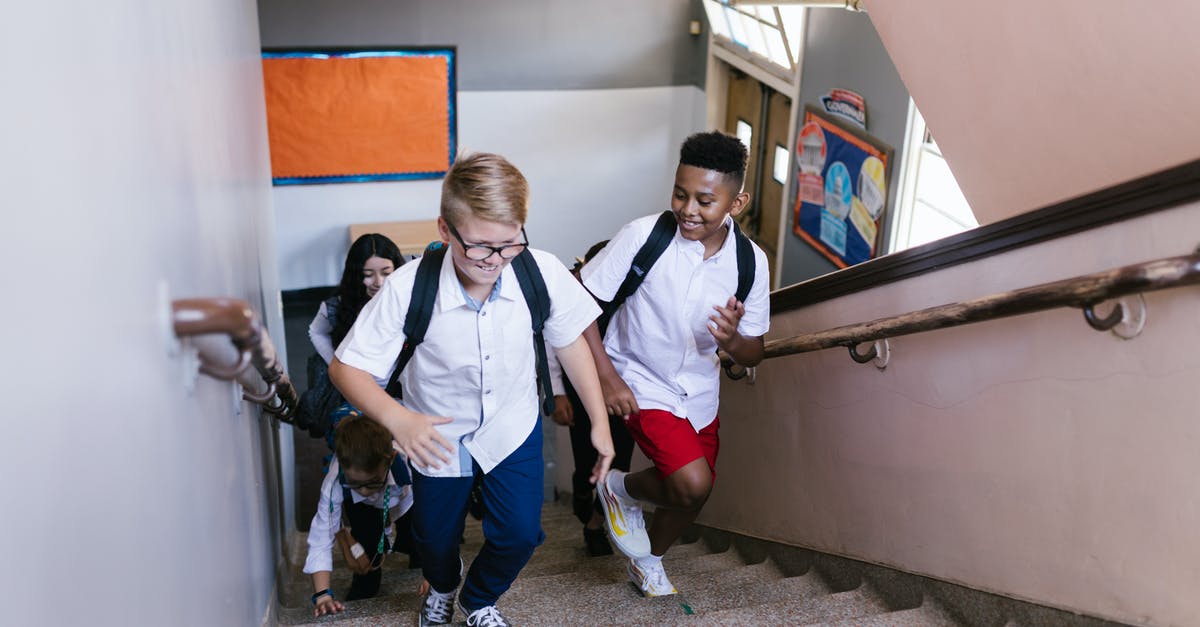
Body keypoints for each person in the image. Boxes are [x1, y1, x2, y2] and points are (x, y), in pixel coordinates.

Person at [329, 151, 615, 627]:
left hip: (512, 424)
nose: (495, 260)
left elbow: (571, 345)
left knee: (520, 535)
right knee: (434, 543)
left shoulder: (538, 271)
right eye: (481, 247)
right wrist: (397, 418)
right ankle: (442, 586)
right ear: (445, 231)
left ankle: (478, 599)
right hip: (437, 432)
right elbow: (345, 369)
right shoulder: (407, 287)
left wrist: (600, 425)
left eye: (510, 243)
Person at [581, 130, 770, 597]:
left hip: (699, 391)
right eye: (680, 194)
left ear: (736, 202)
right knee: (691, 480)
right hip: (639, 379)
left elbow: (756, 351)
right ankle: (620, 489)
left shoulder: (750, 262)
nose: (688, 209)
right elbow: (579, 305)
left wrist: (732, 339)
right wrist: (607, 378)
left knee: (696, 494)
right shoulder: (645, 236)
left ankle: (647, 558)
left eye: (705, 201)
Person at [546, 243, 636, 557]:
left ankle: (596, 524)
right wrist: (557, 392)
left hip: (625, 390)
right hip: (580, 390)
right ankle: (582, 491)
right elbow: (553, 342)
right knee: (587, 458)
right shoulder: (576, 294)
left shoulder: (633, 296)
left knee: (620, 460)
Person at [304, 415, 415, 617]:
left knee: (417, 536)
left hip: (407, 499)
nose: (364, 490)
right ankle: (363, 595)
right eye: (356, 482)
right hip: (360, 507)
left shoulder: (408, 464)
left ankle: (419, 565)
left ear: (389, 460)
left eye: (371, 482)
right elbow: (321, 537)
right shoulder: (335, 483)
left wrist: (435, 578)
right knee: (368, 545)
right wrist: (322, 595)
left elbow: (431, 518)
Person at [309, 233, 406, 450]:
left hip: (400, 393)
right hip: (354, 396)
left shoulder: (405, 300)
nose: (378, 282)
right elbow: (315, 332)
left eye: (386, 273)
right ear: (355, 275)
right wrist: (337, 362)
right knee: (360, 450)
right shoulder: (336, 306)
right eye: (368, 274)